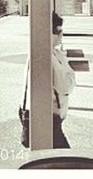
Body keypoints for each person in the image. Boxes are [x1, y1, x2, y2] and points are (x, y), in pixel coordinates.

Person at [21, 12, 76, 148]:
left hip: (35, 112)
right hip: (48, 116)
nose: (61, 35)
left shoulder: (38, 50)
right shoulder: (50, 56)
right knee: (64, 158)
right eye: (59, 31)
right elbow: (66, 86)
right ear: (51, 33)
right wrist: (67, 68)